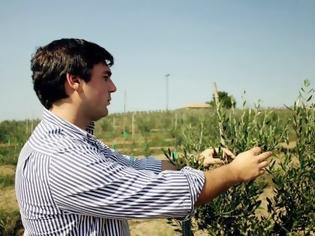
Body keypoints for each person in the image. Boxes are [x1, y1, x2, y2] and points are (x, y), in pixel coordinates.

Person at [15, 38, 272, 236]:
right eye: (105, 77)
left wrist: (193, 162)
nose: (113, 87)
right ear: (74, 81)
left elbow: (136, 168)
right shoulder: (61, 158)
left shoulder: (74, 141)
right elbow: (167, 194)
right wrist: (235, 172)